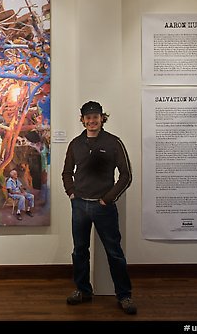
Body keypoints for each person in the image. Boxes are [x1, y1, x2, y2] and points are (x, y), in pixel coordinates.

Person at [61, 101, 137, 315]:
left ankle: (124, 295)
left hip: (104, 207)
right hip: (80, 206)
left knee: (114, 252)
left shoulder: (113, 142)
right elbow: (67, 172)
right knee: (79, 251)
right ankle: (83, 290)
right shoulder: (75, 144)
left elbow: (126, 175)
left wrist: (108, 198)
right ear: (82, 120)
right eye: (88, 117)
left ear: (102, 118)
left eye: (96, 117)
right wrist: (72, 194)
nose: (92, 120)